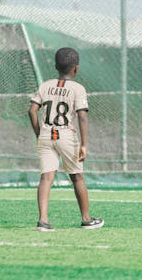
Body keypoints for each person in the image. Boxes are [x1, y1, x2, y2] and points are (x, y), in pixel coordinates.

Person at [28, 47, 104, 232]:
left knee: (46, 177)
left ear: (55, 67)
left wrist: (39, 132)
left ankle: (43, 220)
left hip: (46, 135)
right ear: (76, 69)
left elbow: (32, 110)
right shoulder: (78, 88)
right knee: (77, 177)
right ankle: (86, 219)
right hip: (66, 136)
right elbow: (82, 116)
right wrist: (84, 144)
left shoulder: (45, 85)